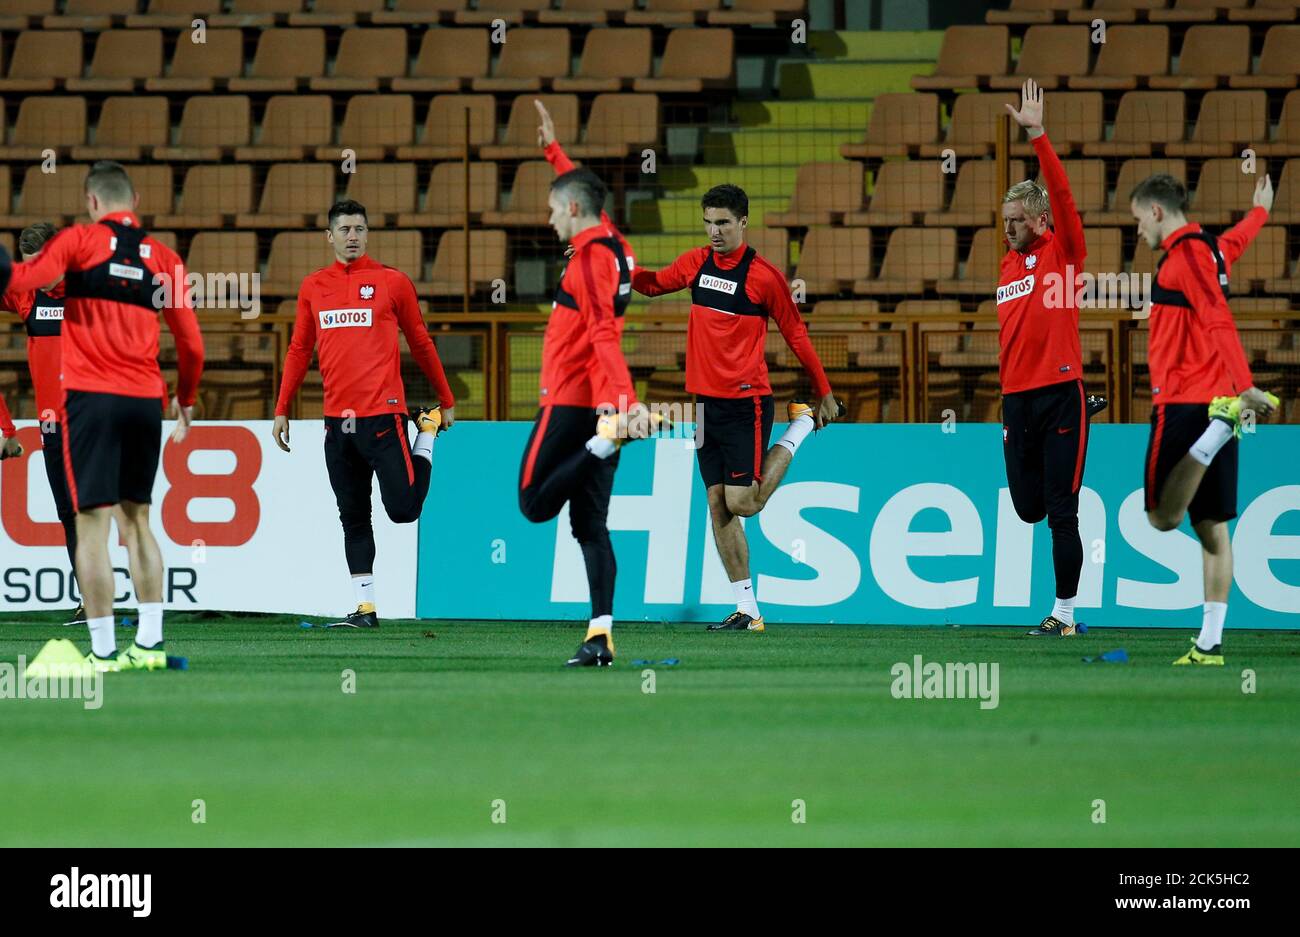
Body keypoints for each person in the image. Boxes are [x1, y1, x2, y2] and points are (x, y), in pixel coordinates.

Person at [0, 160, 205, 671]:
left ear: (92, 203)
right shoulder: (165, 258)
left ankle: (103, 652)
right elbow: (192, 344)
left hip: (90, 400)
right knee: (138, 521)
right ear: (133, 200)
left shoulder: (76, 243)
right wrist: (188, 398)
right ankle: (151, 646)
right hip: (145, 401)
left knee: (91, 526)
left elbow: (27, 277)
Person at [628, 184, 839, 633]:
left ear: (743, 222)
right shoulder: (695, 262)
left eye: (723, 222)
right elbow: (650, 285)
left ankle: (799, 425)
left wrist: (823, 391)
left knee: (743, 502)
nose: (714, 231)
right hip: (706, 404)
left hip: (747, 403)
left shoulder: (764, 276)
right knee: (717, 506)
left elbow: (796, 334)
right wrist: (613, 269)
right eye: (708, 222)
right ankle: (749, 611)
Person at [272, 199, 456, 629]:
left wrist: (445, 400)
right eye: (344, 229)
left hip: (383, 418)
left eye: (359, 229)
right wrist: (281, 408)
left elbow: (421, 341)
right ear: (330, 236)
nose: (352, 236)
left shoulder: (392, 283)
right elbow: (299, 350)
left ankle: (424, 432)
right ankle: (365, 608)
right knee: (352, 516)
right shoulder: (313, 287)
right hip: (337, 425)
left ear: (367, 234)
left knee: (404, 510)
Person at [1129, 171, 1279, 666]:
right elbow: (1236, 241)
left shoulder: (1183, 258)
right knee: (1212, 529)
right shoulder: (1210, 250)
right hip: (1216, 400)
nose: (1137, 232)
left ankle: (1216, 433)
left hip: (1185, 402)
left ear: (1156, 212)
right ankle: (1210, 644)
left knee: (1162, 517)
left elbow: (1216, 316)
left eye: (1137, 220)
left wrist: (1244, 384)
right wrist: (1261, 212)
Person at [520, 167, 659, 667]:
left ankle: (606, 441)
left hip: (571, 400)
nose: (550, 217)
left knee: (534, 504)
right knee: (590, 526)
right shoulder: (619, 247)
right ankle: (600, 636)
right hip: (603, 406)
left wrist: (628, 404)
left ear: (574, 209)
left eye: (555, 207)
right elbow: (588, 191)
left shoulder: (586, 261)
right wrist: (554, 152)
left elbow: (602, 332)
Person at [997, 79, 1106, 638]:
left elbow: (1061, 195)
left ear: (1040, 221)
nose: (1008, 227)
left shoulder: (1062, 253)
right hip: (1016, 401)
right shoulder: (1008, 266)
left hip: (1060, 394)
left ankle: (1062, 615)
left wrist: (1038, 135)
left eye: (1017, 219)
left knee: (1062, 511)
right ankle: (1091, 408)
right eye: (1005, 219)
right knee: (1027, 509)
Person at [1, 222, 86, 625]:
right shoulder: (24, 290)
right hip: (52, 425)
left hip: (95, 419)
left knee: (101, 511)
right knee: (69, 513)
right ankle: (91, 601)